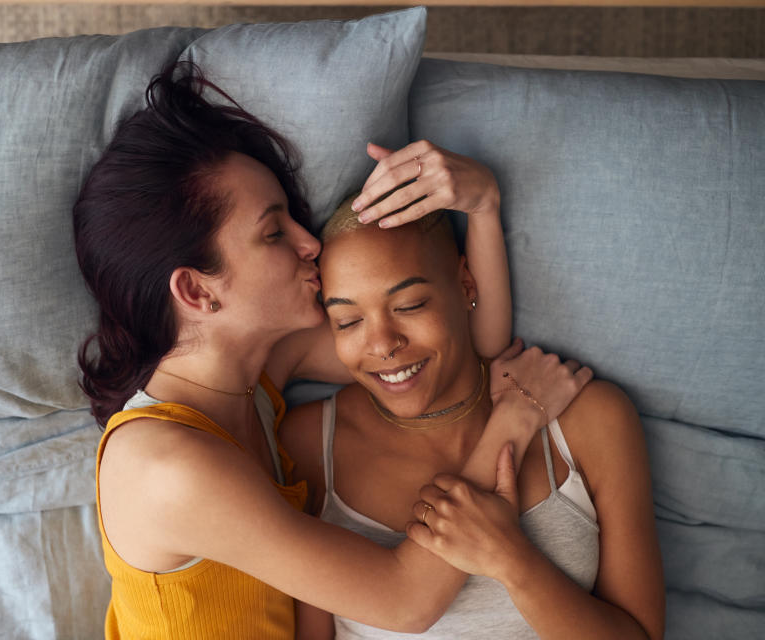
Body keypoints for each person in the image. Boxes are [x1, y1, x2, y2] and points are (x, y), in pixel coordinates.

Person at [73, 62, 591, 639]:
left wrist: (484, 206)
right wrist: (513, 422)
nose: (309, 242)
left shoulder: (257, 374)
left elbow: (465, 338)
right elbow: (404, 600)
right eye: (275, 233)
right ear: (197, 290)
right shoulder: (166, 467)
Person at [280, 192, 666, 639]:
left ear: (465, 284)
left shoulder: (590, 419)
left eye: (409, 306)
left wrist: (511, 558)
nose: (383, 344)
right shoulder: (308, 443)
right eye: (347, 322)